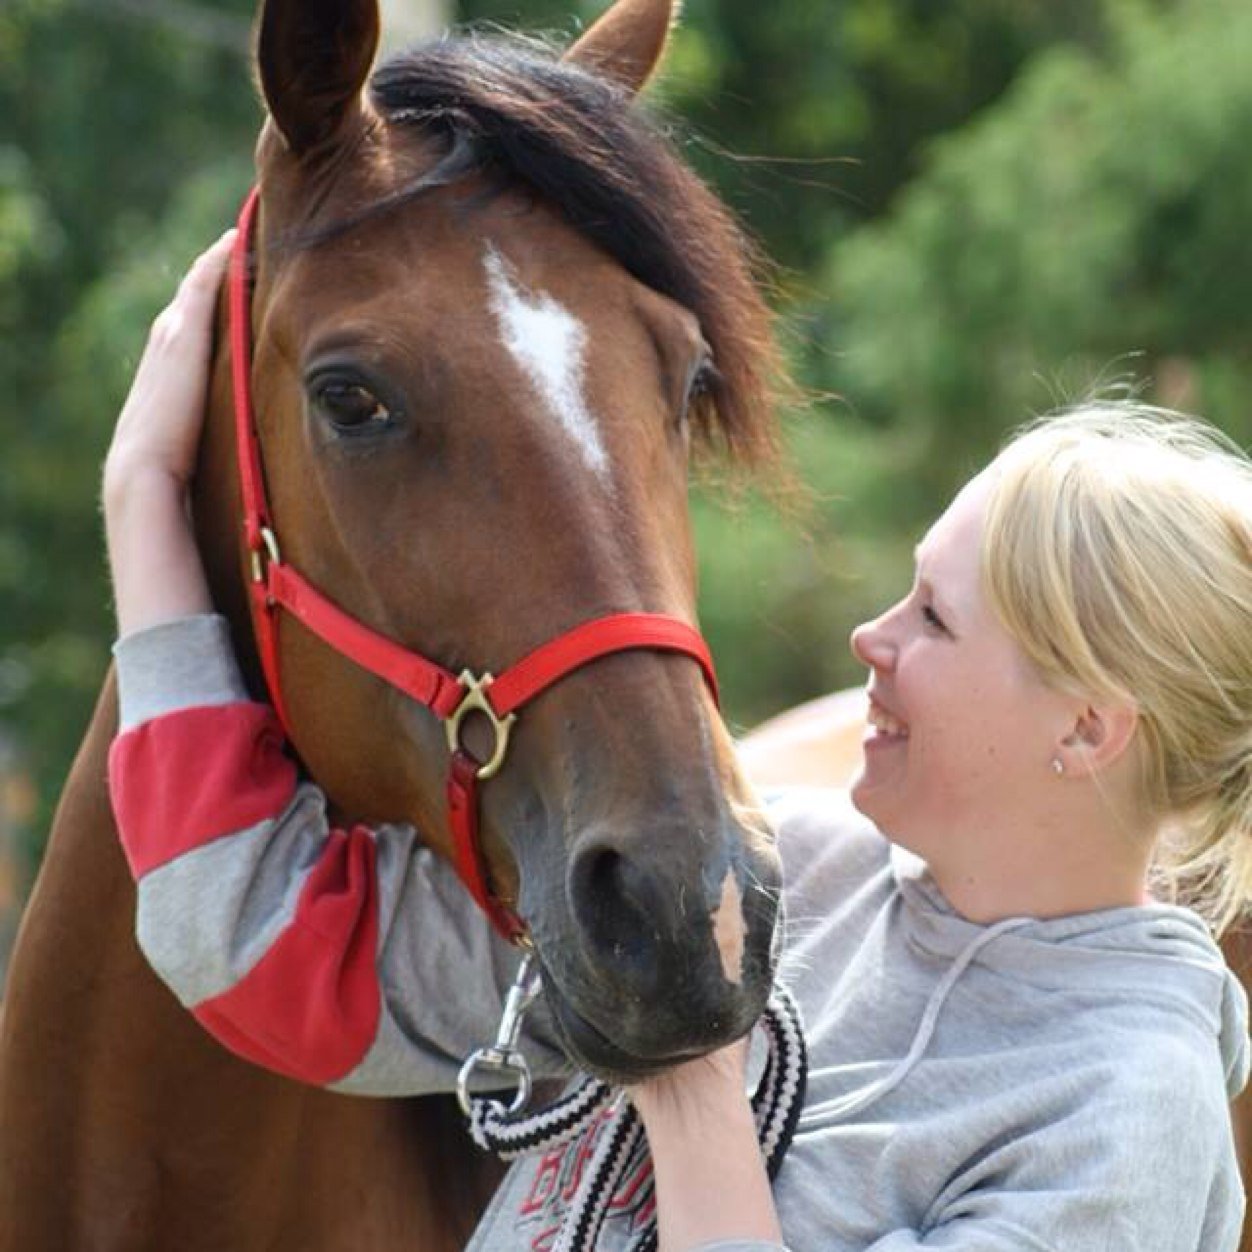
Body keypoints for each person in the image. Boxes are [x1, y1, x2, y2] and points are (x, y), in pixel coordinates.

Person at [103, 235, 1252, 1251]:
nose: (871, 636)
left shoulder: (1124, 1109)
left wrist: (690, 1081)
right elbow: (277, 942)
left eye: (935, 620)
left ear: (1086, 728)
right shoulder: (778, 880)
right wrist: (147, 499)